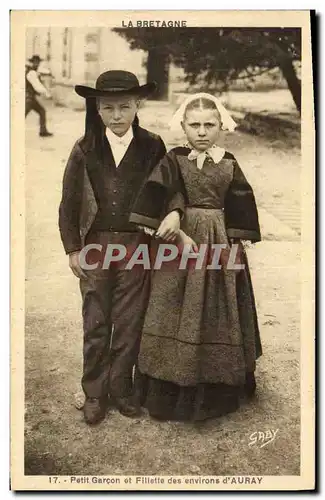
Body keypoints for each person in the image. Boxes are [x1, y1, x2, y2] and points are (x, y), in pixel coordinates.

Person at [58, 70, 183, 425]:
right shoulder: (84, 149)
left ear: (137, 105)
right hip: (96, 244)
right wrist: (72, 248)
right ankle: (95, 393)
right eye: (109, 108)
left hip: (136, 244)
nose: (117, 116)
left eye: (124, 107)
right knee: (96, 319)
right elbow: (68, 202)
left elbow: (171, 186)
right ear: (97, 109)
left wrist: (174, 211)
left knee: (129, 321)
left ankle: (121, 388)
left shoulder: (152, 144)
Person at [130, 92, 262, 422]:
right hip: (181, 242)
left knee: (219, 304)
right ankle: (168, 383)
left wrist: (235, 241)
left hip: (218, 243)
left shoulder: (229, 161)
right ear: (183, 127)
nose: (202, 132)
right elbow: (158, 189)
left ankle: (216, 382)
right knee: (173, 302)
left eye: (209, 125)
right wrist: (168, 217)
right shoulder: (174, 159)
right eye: (195, 125)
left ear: (221, 126)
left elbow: (241, 200)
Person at [25, 55, 53, 137]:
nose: (37, 64)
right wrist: (47, 94)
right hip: (28, 99)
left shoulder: (33, 71)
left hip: (31, 98)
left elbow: (43, 72)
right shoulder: (31, 73)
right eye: (35, 62)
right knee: (22, 115)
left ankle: (43, 131)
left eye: (38, 62)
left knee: (42, 111)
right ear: (32, 63)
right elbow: (37, 86)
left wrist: (48, 73)